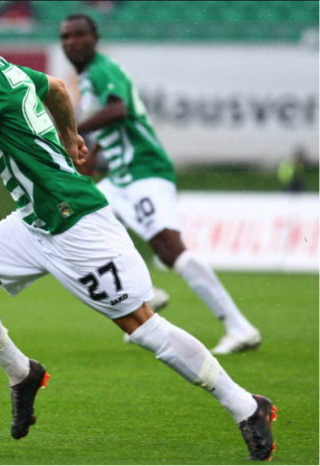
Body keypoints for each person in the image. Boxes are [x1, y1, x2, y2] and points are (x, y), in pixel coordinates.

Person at [0, 7, 277, 460]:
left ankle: (247, 406)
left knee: (143, 327)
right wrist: (69, 136)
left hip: (76, 224)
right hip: (34, 221)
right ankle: (22, 373)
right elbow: (59, 89)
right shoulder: (1, 67)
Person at [59, 13, 261, 355]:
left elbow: (119, 110)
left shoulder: (102, 70)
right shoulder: (89, 77)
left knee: (170, 251)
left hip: (144, 171)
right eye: (66, 37)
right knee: (81, 222)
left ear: (95, 38)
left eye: (80, 35)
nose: (72, 42)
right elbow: (112, 127)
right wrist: (92, 155)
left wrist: (73, 130)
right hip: (121, 176)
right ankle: (148, 294)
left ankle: (240, 327)